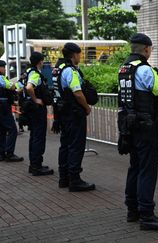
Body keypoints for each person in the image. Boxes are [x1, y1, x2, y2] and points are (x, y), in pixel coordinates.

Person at [118, 33, 158, 230]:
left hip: (129, 125)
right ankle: (147, 215)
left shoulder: (123, 69)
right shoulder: (145, 70)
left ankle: (132, 210)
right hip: (145, 126)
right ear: (147, 49)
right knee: (147, 169)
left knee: (135, 167)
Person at [57, 42, 95, 192]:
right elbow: (78, 93)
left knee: (65, 145)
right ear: (74, 55)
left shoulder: (58, 69)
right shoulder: (70, 71)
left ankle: (64, 178)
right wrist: (86, 108)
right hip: (74, 114)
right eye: (79, 54)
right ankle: (75, 180)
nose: (80, 56)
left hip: (64, 113)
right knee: (76, 146)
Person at [25, 52, 54, 176]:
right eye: (42, 61)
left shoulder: (30, 72)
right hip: (37, 109)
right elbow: (29, 87)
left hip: (33, 110)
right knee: (38, 137)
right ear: (40, 62)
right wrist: (35, 99)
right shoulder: (35, 74)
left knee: (34, 137)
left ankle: (34, 164)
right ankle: (37, 166)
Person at [0, 60, 24, 162]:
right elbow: (11, 86)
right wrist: (19, 86)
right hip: (2, 107)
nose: (5, 69)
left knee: (1, 130)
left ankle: (1, 154)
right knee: (13, 130)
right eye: (4, 67)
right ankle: (10, 153)